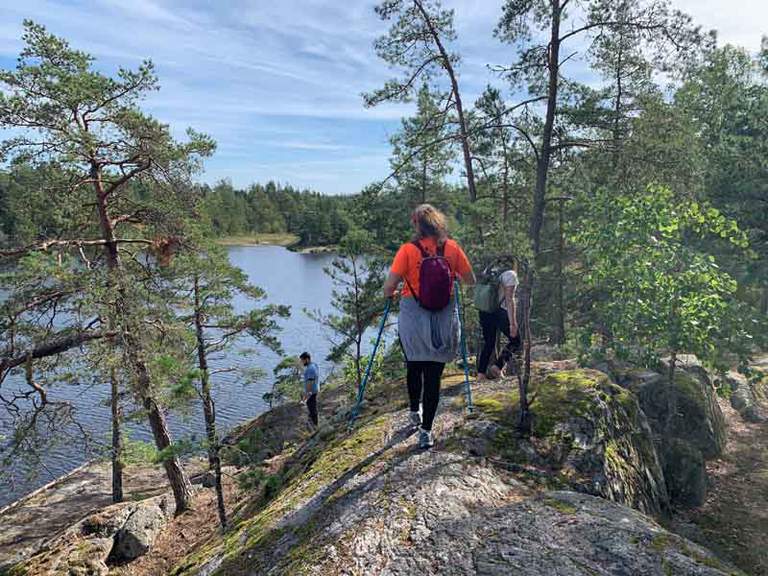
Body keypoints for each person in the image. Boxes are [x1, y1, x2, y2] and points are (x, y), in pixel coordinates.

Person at [383, 204, 475, 449]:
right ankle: (426, 432)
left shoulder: (407, 250)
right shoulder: (453, 248)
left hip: (413, 316)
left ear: (417, 225)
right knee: (434, 376)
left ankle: (414, 411)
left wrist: (394, 291)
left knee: (414, 366)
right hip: (443, 316)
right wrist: (451, 276)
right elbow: (470, 280)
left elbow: (388, 287)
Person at [477, 266, 521, 382]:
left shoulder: (489, 271)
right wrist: (513, 323)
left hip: (484, 310)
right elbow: (509, 299)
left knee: (489, 343)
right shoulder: (510, 275)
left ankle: (481, 374)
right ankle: (497, 367)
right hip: (499, 311)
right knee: (516, 341)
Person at [300, 352, 319, 427]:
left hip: (311, 392)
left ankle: (314, 426)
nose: (302, 362)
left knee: (312, 408)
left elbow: (310, 382)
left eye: (302, 360)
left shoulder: (310, 369)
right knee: (312, 407)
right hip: (314, 390)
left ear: (307, 359)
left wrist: (306, 395)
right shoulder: (314, 365)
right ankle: (312, 424)